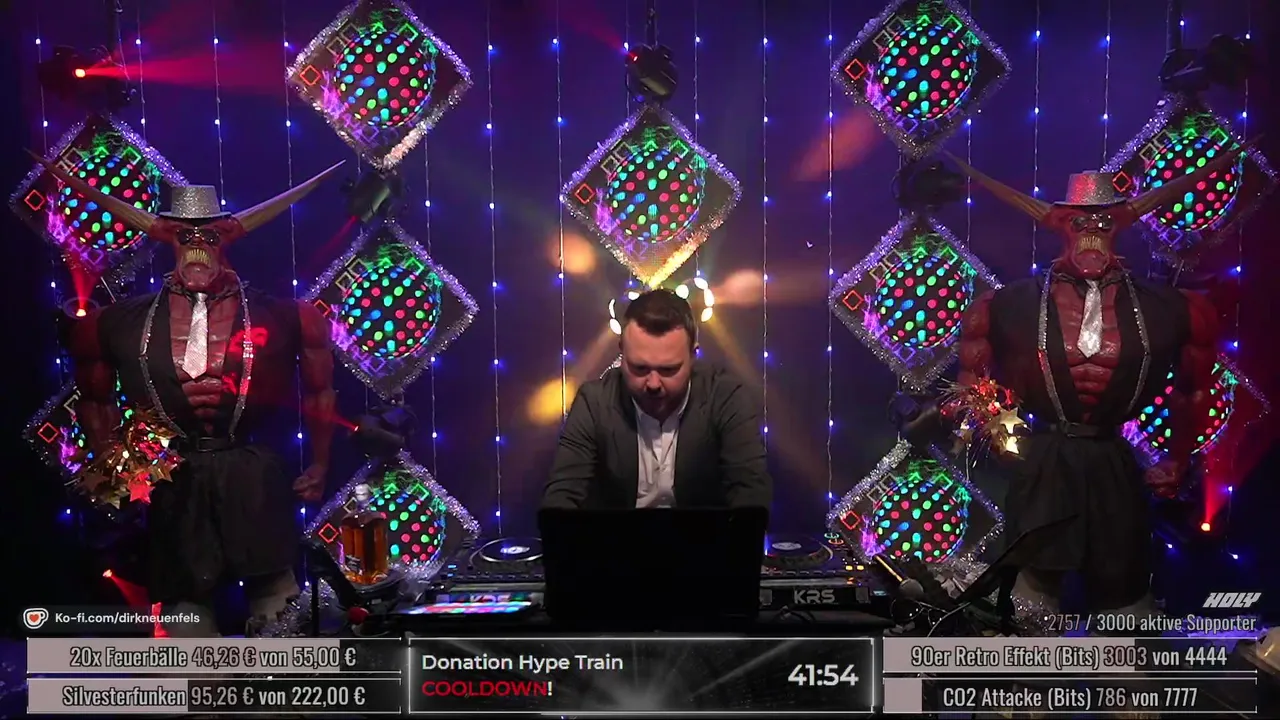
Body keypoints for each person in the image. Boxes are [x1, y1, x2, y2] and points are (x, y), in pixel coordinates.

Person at [894, 147, 1243, 619]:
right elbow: (973, 384)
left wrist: (1178, 458)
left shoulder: (1173, 308)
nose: (1092, 232)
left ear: (1121, 225)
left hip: (1113, 459)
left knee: (1124, 596)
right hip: (1046, 460)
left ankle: (1122, 655)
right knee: (1030, 597)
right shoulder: (1005, 305)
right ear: (1060, 225)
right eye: (1080, 223)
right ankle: (1031, 655)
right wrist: (1004, 440)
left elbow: (1193, 389)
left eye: (1104, 222)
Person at [44, 157, 345, 636]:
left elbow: (319, 390)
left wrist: (321, 463)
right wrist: (112, 473)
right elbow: (95, 401)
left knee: (277, 608)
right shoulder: (115, 323)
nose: (198, 246)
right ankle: (197, 680)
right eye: (186, 236)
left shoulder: (290, 316)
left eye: (209, 235)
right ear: (169, 239)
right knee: (185, 616)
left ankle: (276, 679)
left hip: (250, 471)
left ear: (228, 239)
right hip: (173, 478)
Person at [543, 289, 771, 510]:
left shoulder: (725, 397)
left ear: (693, 356)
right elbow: (561, 499)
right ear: (622, 353)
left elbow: (751, 497)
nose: (653, 383)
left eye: (668, 369)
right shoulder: (594, 402)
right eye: (639, 368)